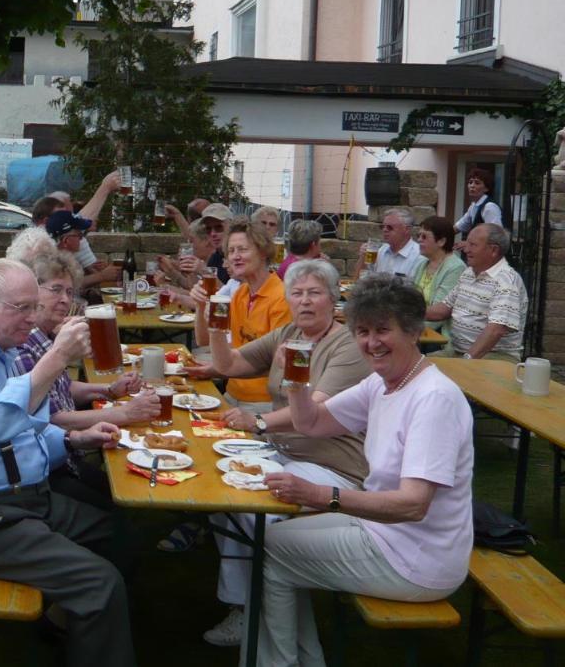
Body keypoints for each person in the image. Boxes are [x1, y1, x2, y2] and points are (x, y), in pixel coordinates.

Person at [248, 273, 474, 666]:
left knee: (272, 552)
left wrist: (320, 495)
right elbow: (312, 423)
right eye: (362, 331)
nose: (371, 342)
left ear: (414, 331)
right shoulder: (383, 382)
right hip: (385, 532)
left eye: (383, 330)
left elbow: (413, 505)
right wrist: (296, 383)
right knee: (273, 541)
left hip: (418, 558)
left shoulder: (433, 398)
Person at [0, 259, 134, 667]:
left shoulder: (2, 354)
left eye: (33, 307)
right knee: (100, 583)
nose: (32, 318)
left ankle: (62, 627)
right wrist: (56, 356)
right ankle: (87, 628)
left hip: (24, 500)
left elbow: (28, 429)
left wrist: (74, 438)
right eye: (22, 308)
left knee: (121, 538)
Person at [185, 260, 373, 646]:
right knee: (224, 493)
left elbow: (315, 412)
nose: (304, 301)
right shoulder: (287, 334)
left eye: (314, 293)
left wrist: (259, 423)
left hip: (333, 465)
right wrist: (214, 321)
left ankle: (264, 605)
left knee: (256, 507)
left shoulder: (348, 345)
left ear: (334, 298)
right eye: (297, 293)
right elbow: (228, 364)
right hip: (284, 452)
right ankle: (244, 603)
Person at [13, 252, 157, 508]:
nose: (65, 300)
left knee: (123, 492)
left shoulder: (44, 337)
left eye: (69, 292)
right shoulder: (23, 345)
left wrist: (108, 390)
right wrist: (125, 413)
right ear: (33, 291)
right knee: (118, 507)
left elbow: (62, 388)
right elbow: (53, 419)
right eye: (56, 289)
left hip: (68, 456)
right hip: (48, 468)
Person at [191, 218, 290, 414]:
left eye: (243, 249)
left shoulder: (281, 297)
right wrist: (200, 305)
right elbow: (204, 340)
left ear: (262, 252)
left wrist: (217, 369)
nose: (235, 257)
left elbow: (277, 362)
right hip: (232, 394)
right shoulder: (241, 294)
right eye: (231, 251)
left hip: (265, 404)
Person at [425, 223, 527, 362]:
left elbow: (496, 330)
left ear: (493, 250)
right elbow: (443, 309)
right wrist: (407, 312)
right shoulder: (469, 273)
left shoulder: (506, 281)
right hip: (459, 352)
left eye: (472, 245)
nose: (465, 249)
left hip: (494, 358)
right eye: (466, 243)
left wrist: (468, 360)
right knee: (417, 367)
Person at [410, 216, 466, 332]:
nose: (419, 240)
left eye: (424, 236)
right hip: (418, 328)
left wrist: (405, 316)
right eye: (418, 236)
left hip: (439, 337)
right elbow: (411, 298)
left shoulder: (456, 267)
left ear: (441, 241)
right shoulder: (423, 264)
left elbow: (439, 314)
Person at [355, 207, 425, 279]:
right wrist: (363, 257)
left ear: (406, 229)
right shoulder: (381, 251)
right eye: (382, 226)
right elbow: (359, 280)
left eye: (390, 227)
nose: (385, 230)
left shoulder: (419, 256)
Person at [454, 167, 503, 243]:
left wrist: (469, 243)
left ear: (486, 188)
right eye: (470, 182)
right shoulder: (474, 206)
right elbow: (460, 226)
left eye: (477, 183)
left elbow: (496, 236)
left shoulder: (489, 207)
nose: (472, 186)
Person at [199, 203, 235, 283]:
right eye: (208, 229)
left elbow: (234, 294)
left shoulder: (238, 258)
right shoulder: (215, 257)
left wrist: (205, 272)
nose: (213, 233)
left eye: (219, 227)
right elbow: (206, 292)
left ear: (231, 227)